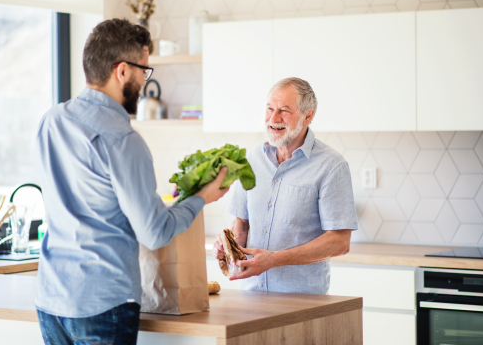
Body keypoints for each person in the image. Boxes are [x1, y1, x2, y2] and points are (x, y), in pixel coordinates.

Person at [35, 18, 229, 345]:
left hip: (51, 298)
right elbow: (154, 232)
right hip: (103, 302)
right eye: (144, 70)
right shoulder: (124, 139)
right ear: (122, 70)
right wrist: (202, 198)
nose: (144, 80)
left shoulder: (51, 120)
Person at [213, 77, 358, 295]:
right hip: (249, 295)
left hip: (300, 300)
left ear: (308, 115)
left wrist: (274, 259)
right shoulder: (251, 158)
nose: (273, 118)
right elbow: (242, 222)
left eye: (284, 111)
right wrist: (230, 247)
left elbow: (339, 242)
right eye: (270, 108)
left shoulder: (331, 166)